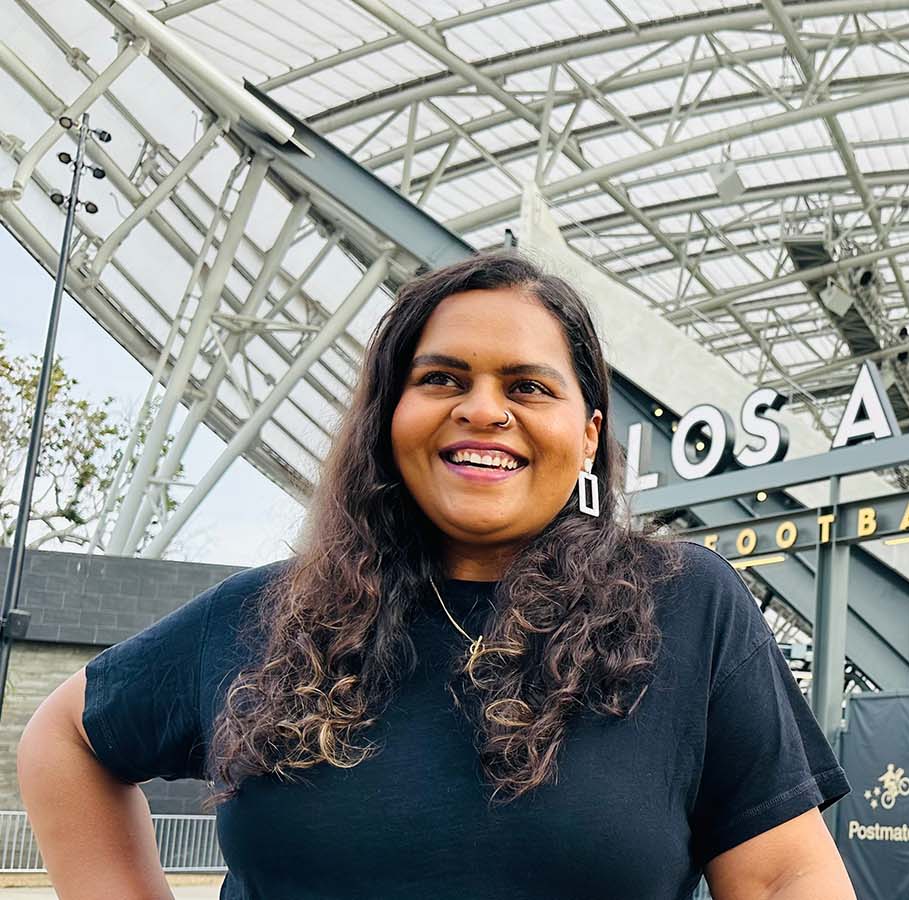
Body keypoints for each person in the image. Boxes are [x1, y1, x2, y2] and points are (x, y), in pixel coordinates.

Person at [17, 251, 855, 899]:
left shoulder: (685, 607)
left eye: (528, 386)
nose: (484, 409)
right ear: (392, 418)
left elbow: (785, 876)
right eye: (442, 379)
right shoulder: (265, 617)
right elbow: (67, 738)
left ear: (590, 432)